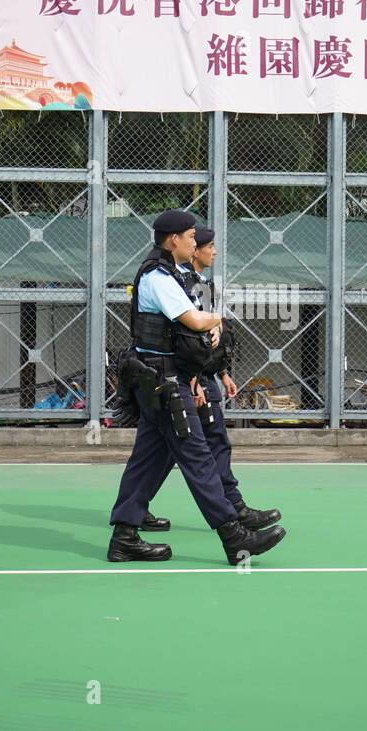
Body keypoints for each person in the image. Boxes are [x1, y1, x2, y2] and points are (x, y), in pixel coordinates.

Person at [108, 210, 287, 565]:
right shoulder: (158, 278)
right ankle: (235, 538)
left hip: (163, 379)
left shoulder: (168, 275)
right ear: (173, 239)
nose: (197, 243)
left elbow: (180, 335)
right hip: (163, 382)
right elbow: (191, 320)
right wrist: (218, 317)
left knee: (148, 461)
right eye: (191, 237)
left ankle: (124, 537)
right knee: (198, 456)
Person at [136, 225, 281, 532]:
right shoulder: (170, 280)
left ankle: (130, 517)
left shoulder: (199, 283)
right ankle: (232, 521)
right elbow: (189, 331)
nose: (213, 251)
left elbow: (205, 337)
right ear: (190, 247)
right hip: (179, 377)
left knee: (163, 451)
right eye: (205, 244)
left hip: (188, 375)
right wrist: (198, 379)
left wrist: (221, 372)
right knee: (202, 450)